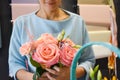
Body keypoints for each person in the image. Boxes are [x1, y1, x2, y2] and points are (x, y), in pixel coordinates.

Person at [8, 0, 95, 80]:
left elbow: (88, 60)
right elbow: (15, 65)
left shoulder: (78, 22)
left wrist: (71, 73)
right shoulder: (22, 23)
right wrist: (34, 78)